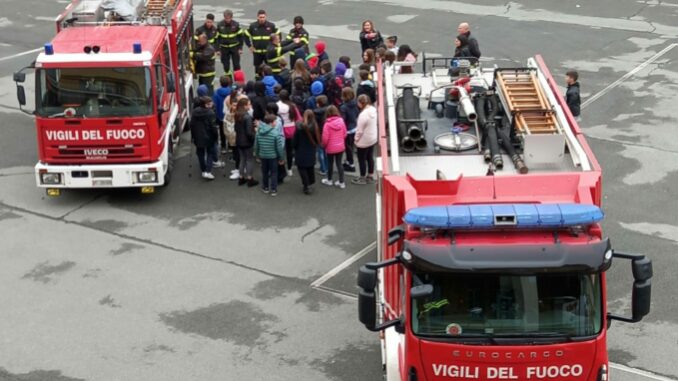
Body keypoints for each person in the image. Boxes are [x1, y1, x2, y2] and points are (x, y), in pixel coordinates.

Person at [254, 113, 285, 196]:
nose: (276, 123)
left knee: (264, 172)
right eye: (275, 121)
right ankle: (274, 189)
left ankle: (265, 187)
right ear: (271, 122)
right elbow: (279, 148)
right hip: (273, 157)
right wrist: (281, 158)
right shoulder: (275, 133)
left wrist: (257, 155)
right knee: (274, 173)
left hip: (263, 156)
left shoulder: (258, 132)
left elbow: (256, 146)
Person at [190, 96, 220, 180]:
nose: (212, 104)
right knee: (210, 153)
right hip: (209, 136)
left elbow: (191, 124)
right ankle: (208, 171)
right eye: (210, 103)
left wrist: (193, 136)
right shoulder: (210, 113)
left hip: (198, 136)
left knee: (200, 153)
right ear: (206, 105)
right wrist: (216, 136)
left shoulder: (195, 112)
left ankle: (203, 170)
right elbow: (213, 127)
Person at [352, 94, 378, 184]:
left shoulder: (363, 115)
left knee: (361, 159)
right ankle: (370, 175)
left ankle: (362, 177)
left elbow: (359, 130)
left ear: (360, 103)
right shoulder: (374, 110)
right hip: (372, 138)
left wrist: (356, 140)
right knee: (370, 157)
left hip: (363, 141)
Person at [233, 98, 259, 187]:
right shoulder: (247, 117)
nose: (250, 106)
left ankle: (241, 177)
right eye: (249, 104)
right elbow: (249, 132)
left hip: (239, 140)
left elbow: (235, 128)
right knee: (249, 160)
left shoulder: (237, 114)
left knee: (242, 159)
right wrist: (254, 135)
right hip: (247, 142)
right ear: (245, 106)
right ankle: (250, 178)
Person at [245, 10, 279, 76]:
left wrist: (276, 45)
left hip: (268, 52)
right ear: (257, 17)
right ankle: (258, 82)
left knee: (269, 69)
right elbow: (246, 35)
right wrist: (249, 46)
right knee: (257, 70)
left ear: (266, 17)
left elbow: (278, 34)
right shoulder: (253, 26)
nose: (262, 19)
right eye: (260, 17)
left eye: (263, 17)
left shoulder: (271, 26)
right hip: (257, 53)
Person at [294, 110, 320, 194]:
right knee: (310, 167)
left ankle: (306, 185)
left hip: (301, 150)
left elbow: (294, 141)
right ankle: (311, 181)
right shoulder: (315, 126)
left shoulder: (299, 127)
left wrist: (294, 147)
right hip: (311, 149)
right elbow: (317, 140)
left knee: (302, 168)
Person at [321, 106, 348, 188]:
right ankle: (341, 182)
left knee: (330, 164)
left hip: (330, 148)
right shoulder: (341, 121)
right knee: (339, 163)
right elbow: (345, 133)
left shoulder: (327, 124)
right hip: (340, 147)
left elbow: (325, 138)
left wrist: (324, 145)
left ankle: (329, 180)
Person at [277, 90, 300, 177]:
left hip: (280, 129)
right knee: (289, 150)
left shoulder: (277, 105)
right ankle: (289, 169)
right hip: (291, 129)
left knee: (280, 149)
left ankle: (281, 167)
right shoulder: (292, 106)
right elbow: (298, 118)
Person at [216, 10, 244, 77]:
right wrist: (217, 50)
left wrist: (240, 48)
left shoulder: (236, 24)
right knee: (226, 66)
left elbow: (241, 37)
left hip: (234, 48)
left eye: (229, 18)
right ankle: (228, 81)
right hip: (224, 48)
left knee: (236, 65)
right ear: (224, 17)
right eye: (226, 18)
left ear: (231, 17)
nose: (227, 20)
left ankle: (238, 81)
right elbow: (217, 38)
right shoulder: (220, 25)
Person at [340, 87, 359, 172]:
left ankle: (351, 164)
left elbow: (343, 120)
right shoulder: (356, 104)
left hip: (347, 129)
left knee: (348, 148)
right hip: (354, 127)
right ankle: (348, 162)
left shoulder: (344, 107)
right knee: (350, 146)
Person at [213, 75, 232, 154]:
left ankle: (223, 147)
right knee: (230, 130)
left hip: (220, 116)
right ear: (229, 83)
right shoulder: (231, 92)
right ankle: (231, 146)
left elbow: (215, 105)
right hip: (230, 115)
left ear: (220, 83)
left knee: (222, 131)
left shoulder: (216, 93)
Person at [313, 95, 330, 175]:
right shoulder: (329, 111)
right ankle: (327, 166)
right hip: (328, 133)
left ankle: (323, 168)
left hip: (319, 134)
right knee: (326, 151)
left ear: (318, 104)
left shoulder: (315, 113)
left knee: (320, 151)